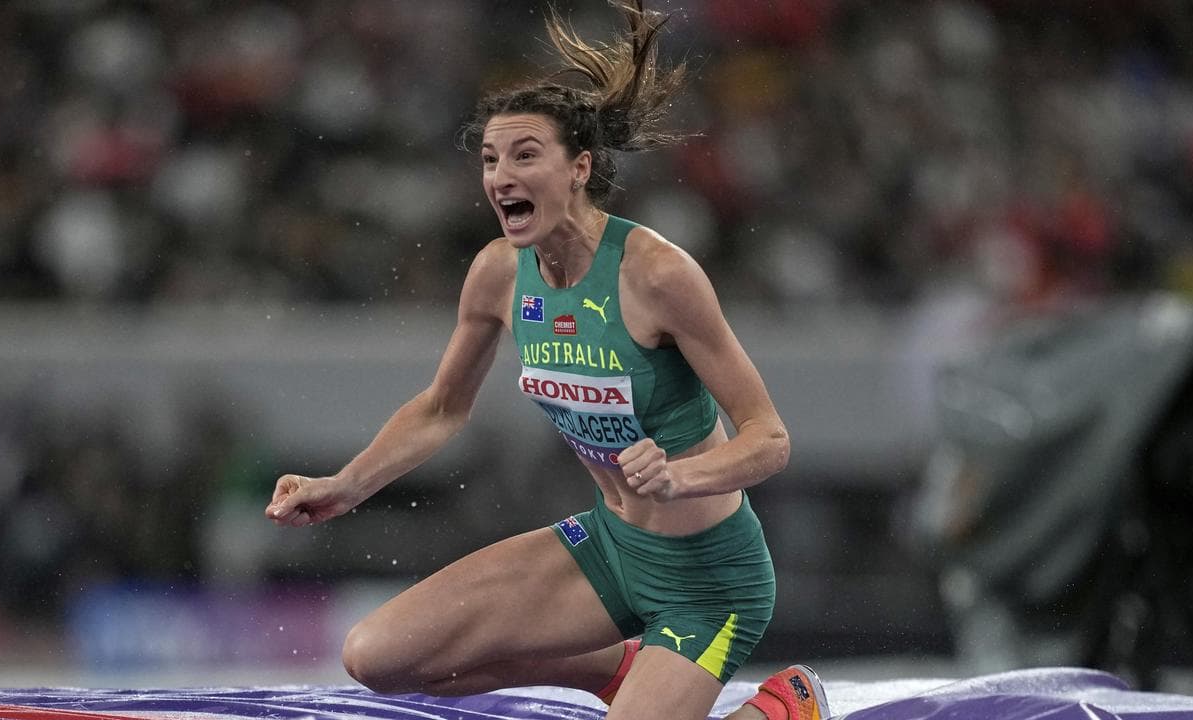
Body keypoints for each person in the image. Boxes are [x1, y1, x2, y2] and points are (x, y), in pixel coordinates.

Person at [265, 2, 830, 719]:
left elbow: (769, 439)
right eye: (490, 160)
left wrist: (680, 475)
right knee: (376, 656)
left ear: (579, 169)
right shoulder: (499, 274)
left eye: (525, 155)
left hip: (708, 582)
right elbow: (441, 409)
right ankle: (618, 668)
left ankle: (784, 707)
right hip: (609, 549)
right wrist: (345, 486)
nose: (500, 176)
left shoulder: (656, 275)